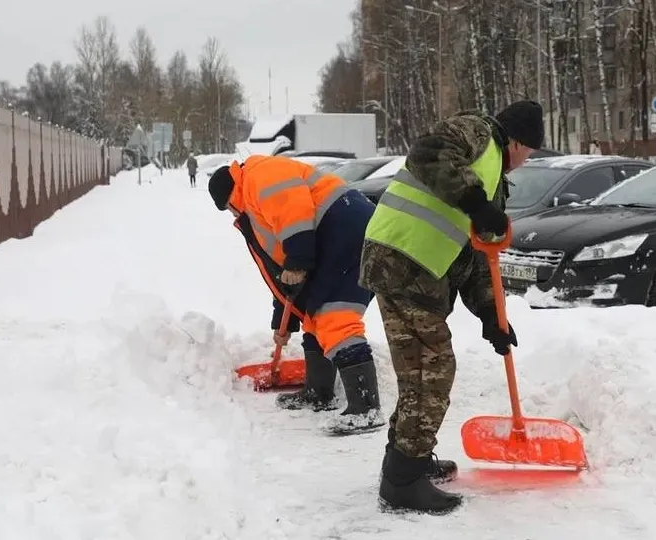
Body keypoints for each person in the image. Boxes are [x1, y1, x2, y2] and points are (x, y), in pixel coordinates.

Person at [359, 100, 545, 514]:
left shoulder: (493, 175)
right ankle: (403, 481)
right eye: (529, 153)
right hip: (401, 262)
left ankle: (407, 461)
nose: (526, 162)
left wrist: (492, 317)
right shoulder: (478, 134)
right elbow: (427, 151)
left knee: (421, 372)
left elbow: (479, 257)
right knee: (431, 371)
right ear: (517, 140)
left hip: (418, 270)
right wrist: (477, 203)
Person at [208, 154, 386, 436]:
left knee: (335, 316)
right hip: (334, 236)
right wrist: (285, 321)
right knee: (315, 316)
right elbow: (280, 272)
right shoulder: (255, 203)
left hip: (346, 229)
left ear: (229, 197)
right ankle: (319, 392)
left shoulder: (259, 175)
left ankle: (366, 409)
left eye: (229, 210)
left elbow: (294, 210)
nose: (232, 215)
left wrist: (298, 261)